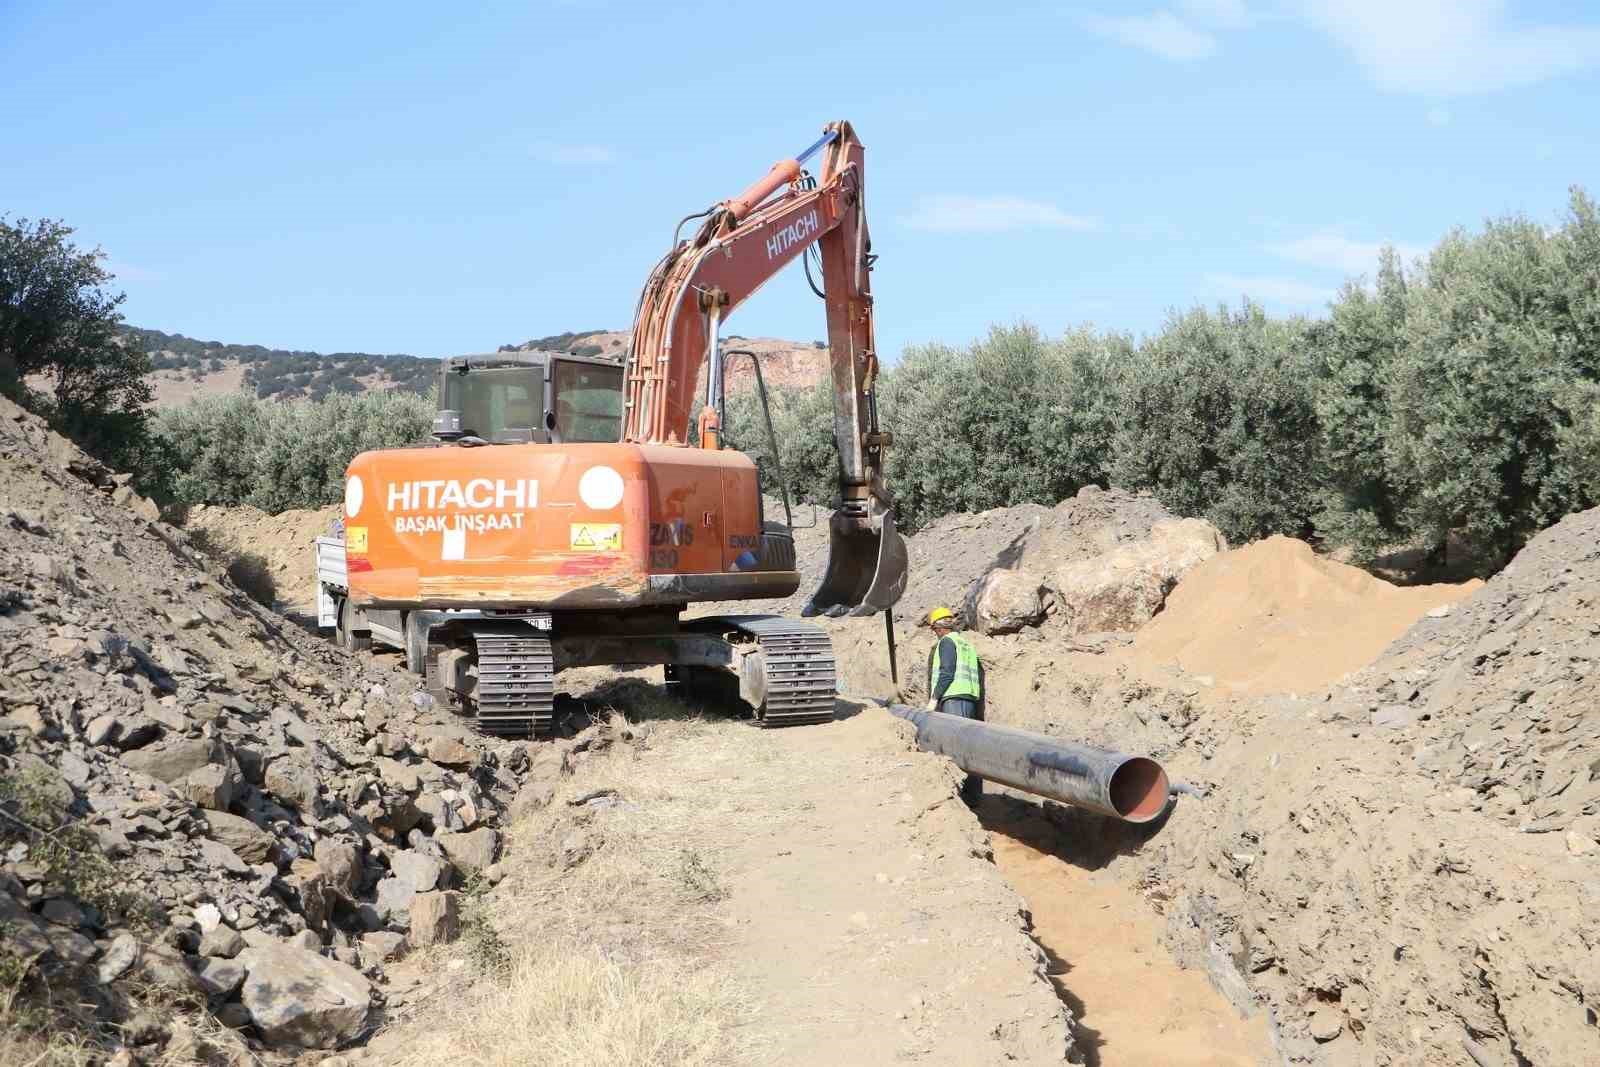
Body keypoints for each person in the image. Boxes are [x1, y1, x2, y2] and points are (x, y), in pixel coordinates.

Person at [925, 606, 985, 805]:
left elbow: (947, 672)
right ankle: (974, 796)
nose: (935, 634)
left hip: (953, 697)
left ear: (938, 628)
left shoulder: (947, 642)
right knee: (968, 746)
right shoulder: (965, 643)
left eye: (934, 630)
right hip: (969, 698)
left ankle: (961, 797)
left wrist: (934, 698)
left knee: (955, 747)